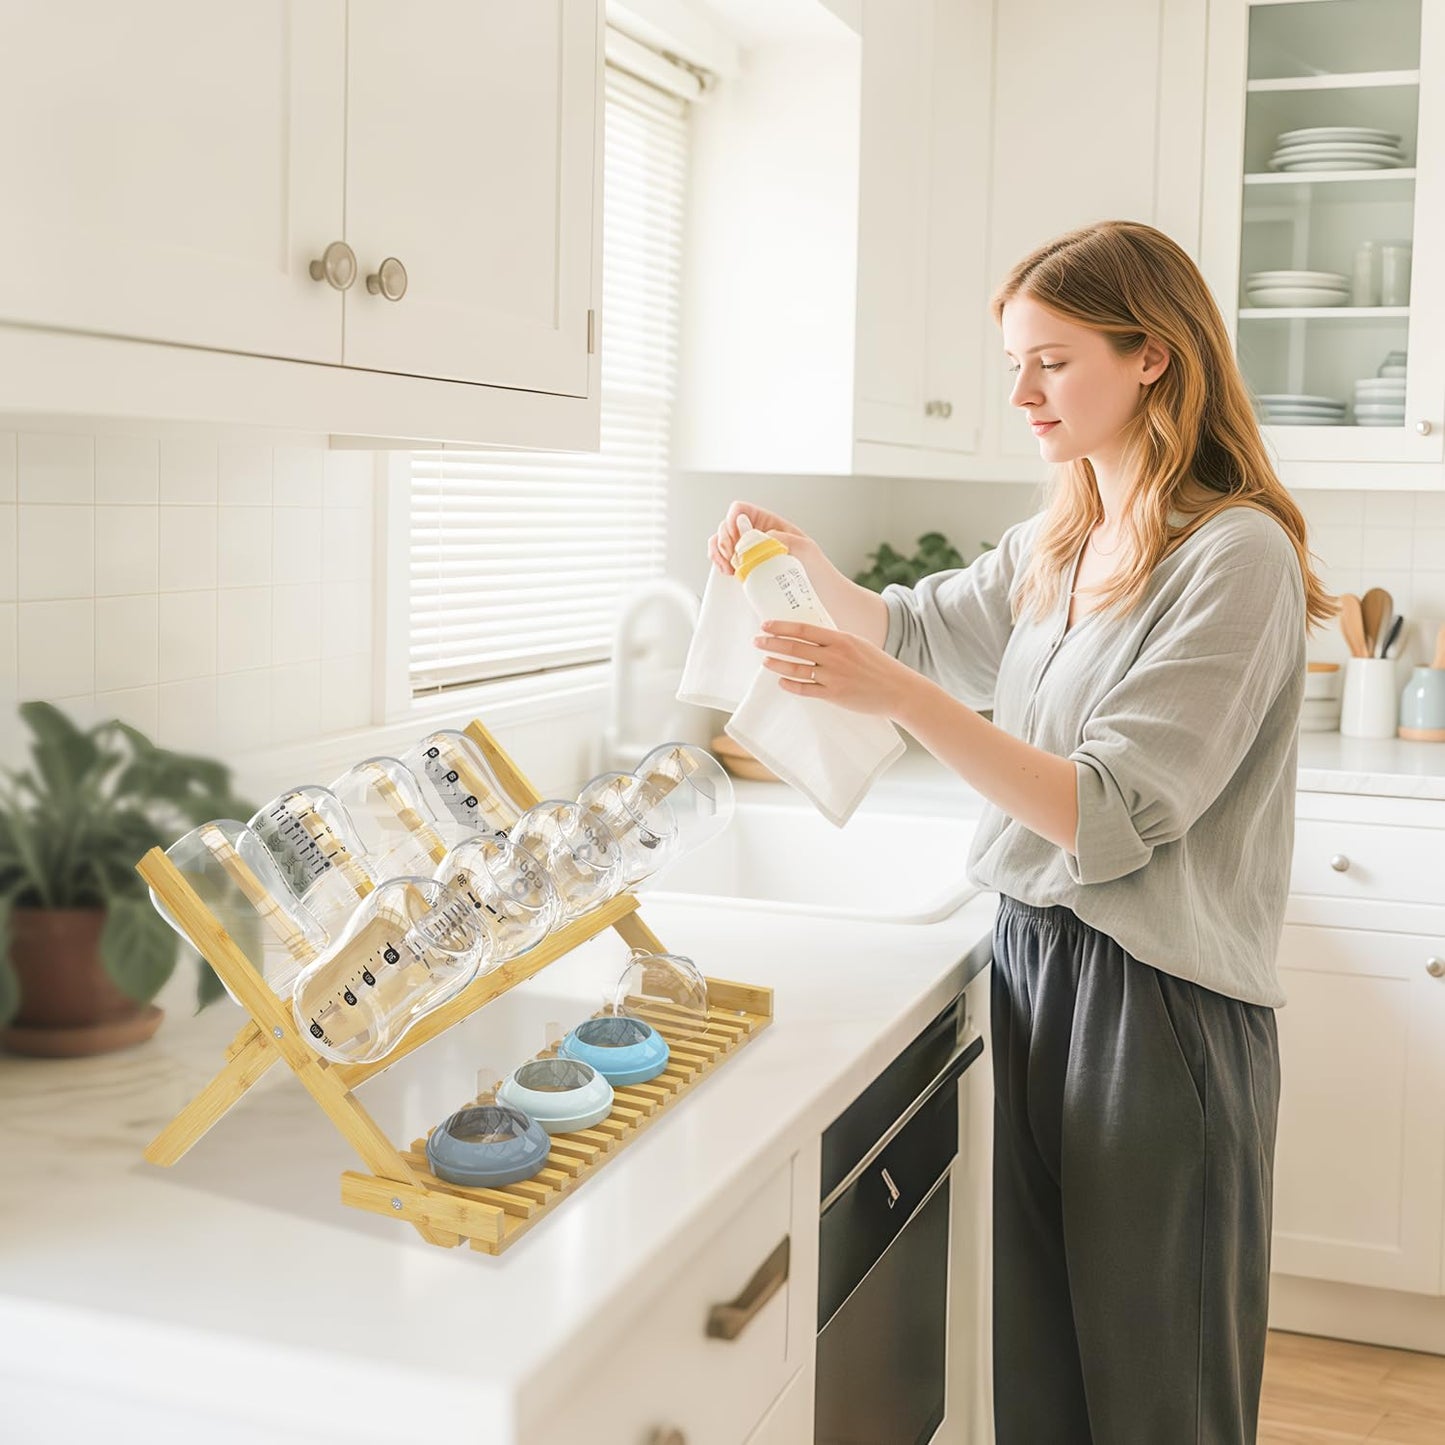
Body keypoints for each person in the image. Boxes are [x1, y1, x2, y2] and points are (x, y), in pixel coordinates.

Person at [708, 220, 1334, 1444]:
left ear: (1149, 355)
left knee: (1160, 1396)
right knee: (1040, 1375)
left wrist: (900, 699)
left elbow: (1106, 808)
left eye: (1049, 360)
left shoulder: (1235, 553)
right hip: (1032, 961)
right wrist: (788, 563)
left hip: (1157, 1005)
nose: (1019, 392)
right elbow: (911, 629)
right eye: (1013, 360)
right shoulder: (1063, 535)